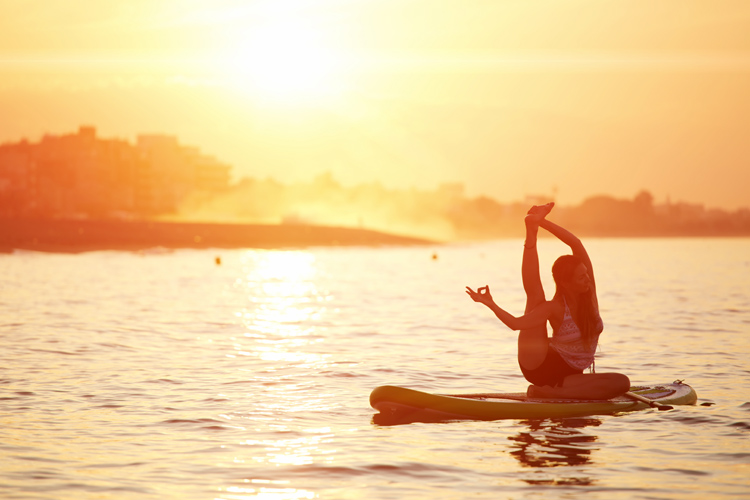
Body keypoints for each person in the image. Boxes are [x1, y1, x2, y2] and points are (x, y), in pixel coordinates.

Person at [466, 203, 630, 400]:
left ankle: (556, 392)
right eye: (580, 277)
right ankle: (530, 232)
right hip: (540, 366)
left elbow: (576, 244)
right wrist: (490, 303)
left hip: (570, 376)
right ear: (565, 283)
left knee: (622, 383)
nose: (587, 279)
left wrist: (542, 222)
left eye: (586, 274)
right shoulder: (555, 308)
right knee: (535, 297)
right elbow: (516, 324)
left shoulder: (589, 294)